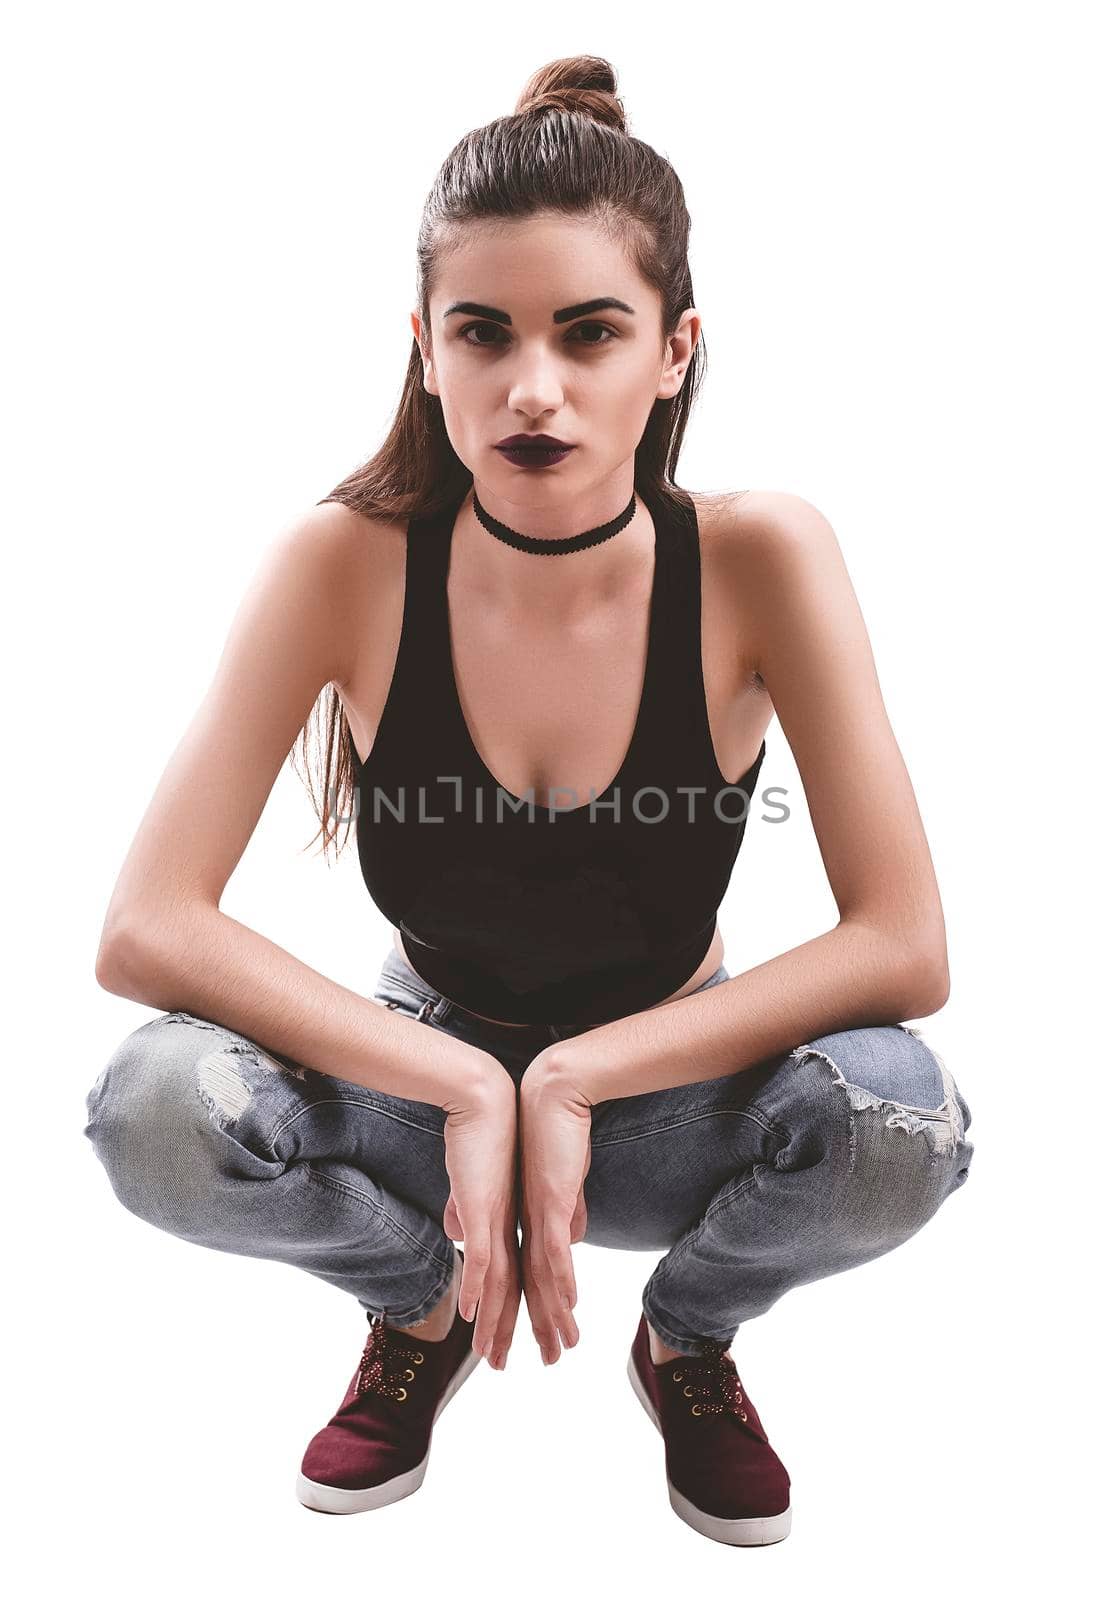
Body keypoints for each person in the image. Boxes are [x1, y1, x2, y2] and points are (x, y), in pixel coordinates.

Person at [83, 55, 974, 1546]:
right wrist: (462, 1082)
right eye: (482, 332)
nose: (534, 387)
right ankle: (418, 1305)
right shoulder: (345, 564)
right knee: (150, 1110)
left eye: (591, 332)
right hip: (413, 1082)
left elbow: (905, 946)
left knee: (909, 1124)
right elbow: (144, 926)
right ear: (425, 351)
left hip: (664, 1104)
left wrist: (568, 1080)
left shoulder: (764, 559)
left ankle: (686, 1342)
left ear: (676, 350)